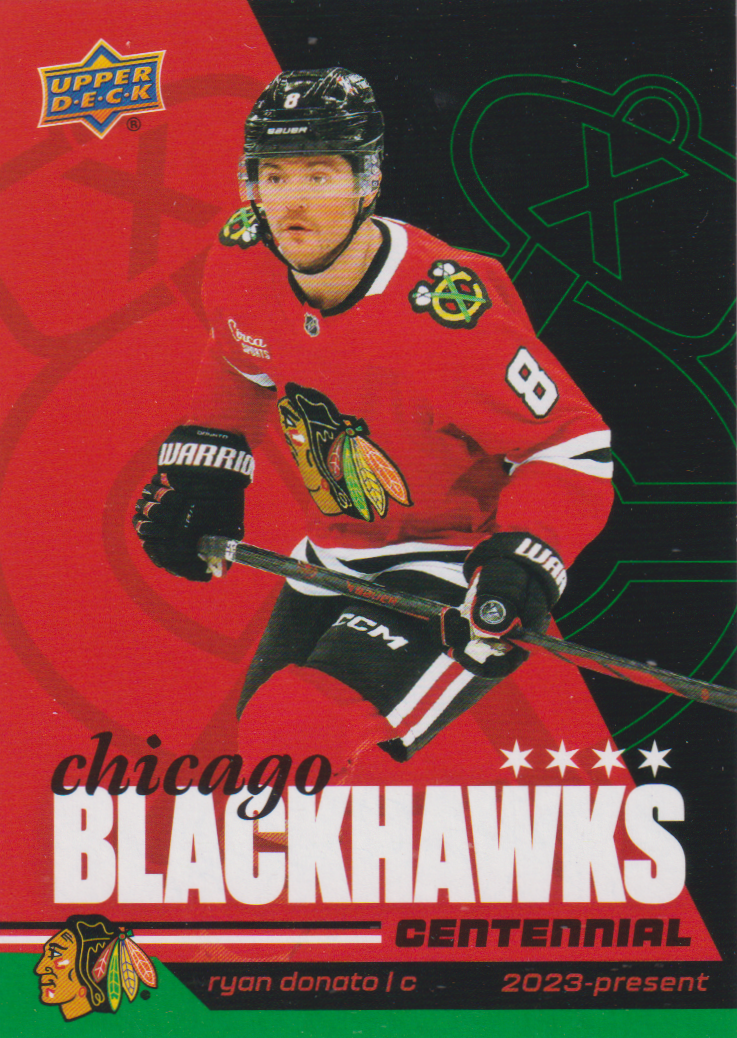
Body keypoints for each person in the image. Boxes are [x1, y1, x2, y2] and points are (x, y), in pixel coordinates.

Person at [133, 68, 613, 777]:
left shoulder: (446, 312)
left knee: (297, 727)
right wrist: (208, 470)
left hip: (451, 559)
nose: (292, 202)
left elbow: (573, 446)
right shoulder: (242, 257)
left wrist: (522, 565)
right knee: (265, 758)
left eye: (319, 176)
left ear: (368, 182)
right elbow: (242, 356)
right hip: (334, 551)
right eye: (273, 177)